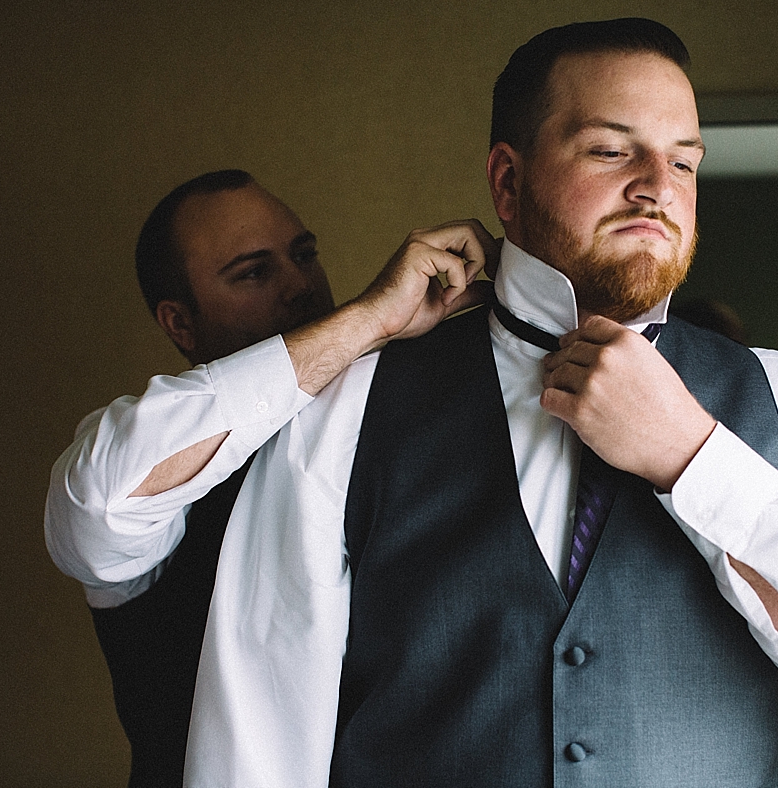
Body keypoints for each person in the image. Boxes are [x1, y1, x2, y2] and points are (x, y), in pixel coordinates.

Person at [52, 20, 778, 787]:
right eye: (611, 150)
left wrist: (697, 459)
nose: (658, 187)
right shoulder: (350, 407)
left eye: (685, 162)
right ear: (507, 180)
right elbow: (259, 734)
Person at [44, 169, 496, 787]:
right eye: (254, 272)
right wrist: (369, 318)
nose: (299, 285)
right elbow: (99, 503)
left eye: (303, 255)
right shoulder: (154, 467)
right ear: (180, 324)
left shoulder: (393, 421)